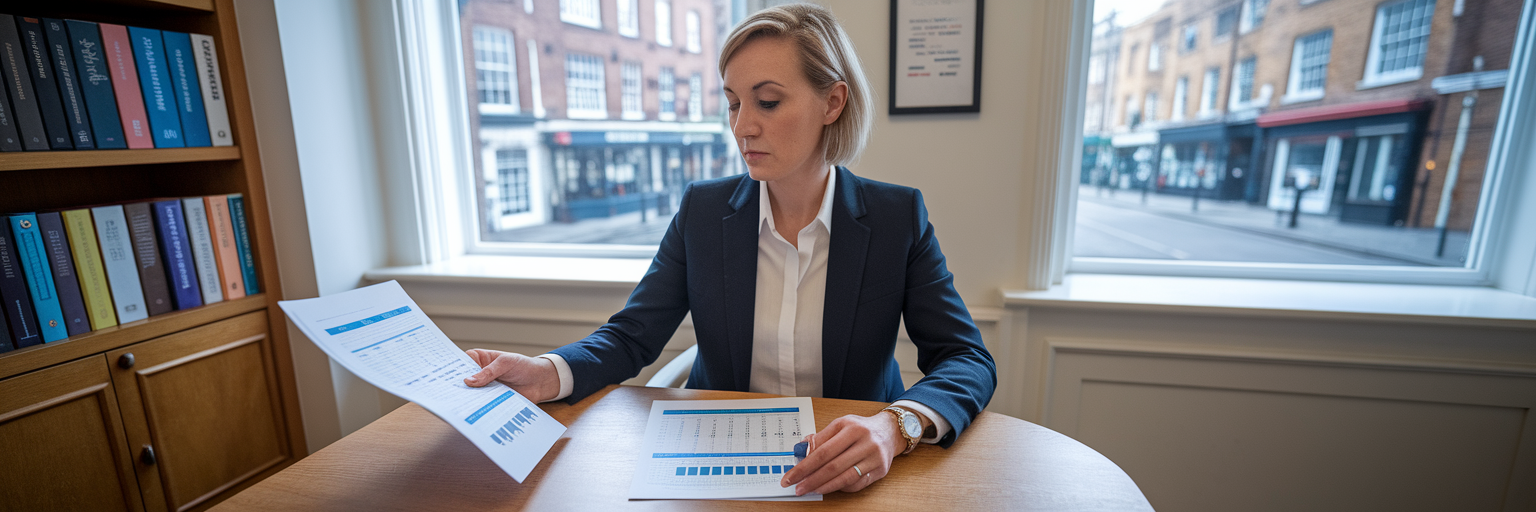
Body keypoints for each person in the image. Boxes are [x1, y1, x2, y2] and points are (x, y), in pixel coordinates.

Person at [463, 3, 995, 496]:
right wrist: (547, 371)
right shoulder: (703, 211)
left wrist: (895, 424)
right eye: (734, 103)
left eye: (767, 101)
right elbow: (631, 336)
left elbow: (966, 357)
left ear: (833, 101)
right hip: (717, 465)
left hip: (845, 474)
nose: (742, 127)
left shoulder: (894, 217)